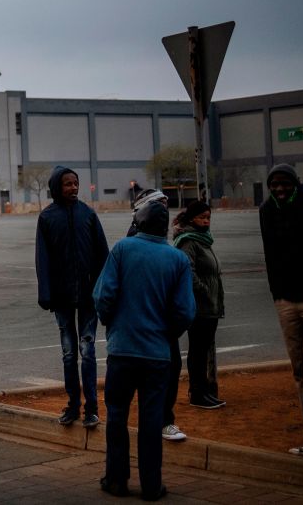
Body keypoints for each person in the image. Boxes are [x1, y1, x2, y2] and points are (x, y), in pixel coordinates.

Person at [94, 199, 195, 501]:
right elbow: (185, 311)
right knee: (151, 421)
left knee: (116, 416)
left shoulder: (123, 249)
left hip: (122, 351)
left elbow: (103, 295)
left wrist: (112, 326)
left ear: (139, 222)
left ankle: (116, 480)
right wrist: (166, 335)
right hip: (156, 354)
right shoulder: (177, 259)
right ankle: (152, 485)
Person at [35, 166, 110, 429]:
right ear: (57, 187)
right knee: (69, 354)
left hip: (88, 298)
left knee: (87, 351)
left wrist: (103, 290)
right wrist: (46, 293)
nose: (73, 188)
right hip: (62, 298)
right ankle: (73, 406)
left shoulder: (88, 215)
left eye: (75, 183)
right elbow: (42, 259)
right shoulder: (47, 218)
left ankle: (92, 408)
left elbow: (103, 255)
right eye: (67, 184)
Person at [258, 163, 303, 458]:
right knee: (299, 370)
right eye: (274, 185)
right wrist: (276, 293)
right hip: (285, 300)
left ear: (294, 183)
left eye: (284, 184)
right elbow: (269, 253)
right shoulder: (267, 211)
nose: (279, 189)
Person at [129, 189, 187, 441]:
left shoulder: (162, 238)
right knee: (152, 373)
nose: (165, 208)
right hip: (144, 324)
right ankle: (160, 421)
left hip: (163, 323)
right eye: (159, 204)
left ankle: (162, 419)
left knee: (172, 367)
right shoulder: (131, 243)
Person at [173, 201, 225, 414]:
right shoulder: (189, 241)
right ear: (192, 218)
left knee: (202, 349)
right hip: (199, 306)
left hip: (210, 304)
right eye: (202, 217)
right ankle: (197, 393)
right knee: (197, 350)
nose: (206, 221)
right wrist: (203, 290)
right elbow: (188, 271)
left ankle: (203, 391)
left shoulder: (203, 240)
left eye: (208, 217)